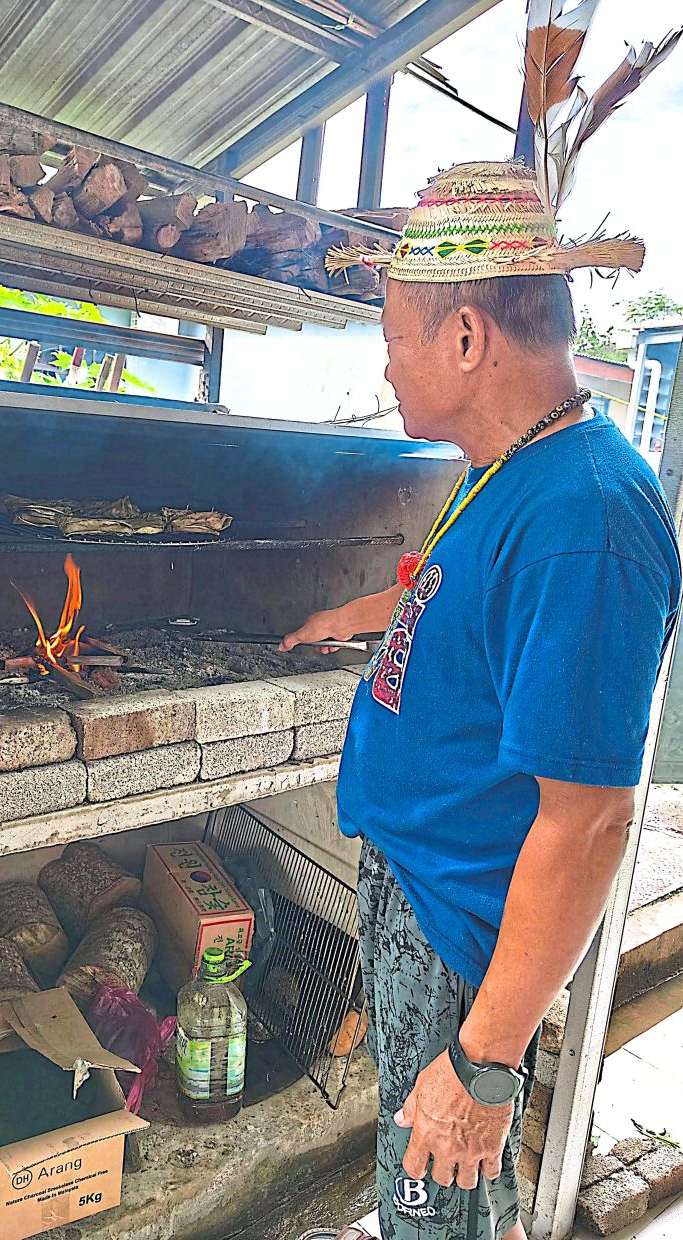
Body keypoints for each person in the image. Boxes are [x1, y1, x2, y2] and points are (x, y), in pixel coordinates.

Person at [284, 161, 681, 1240]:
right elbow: (455, 590)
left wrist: (485, 1063)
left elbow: (589, 821)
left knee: (436, 1198)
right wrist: (352, 615)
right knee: (447, 1200)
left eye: (392, 340)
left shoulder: (585, 520)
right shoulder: (509, 466)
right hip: (423, 891)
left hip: (464, 937)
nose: (385, 366)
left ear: (465, 337)